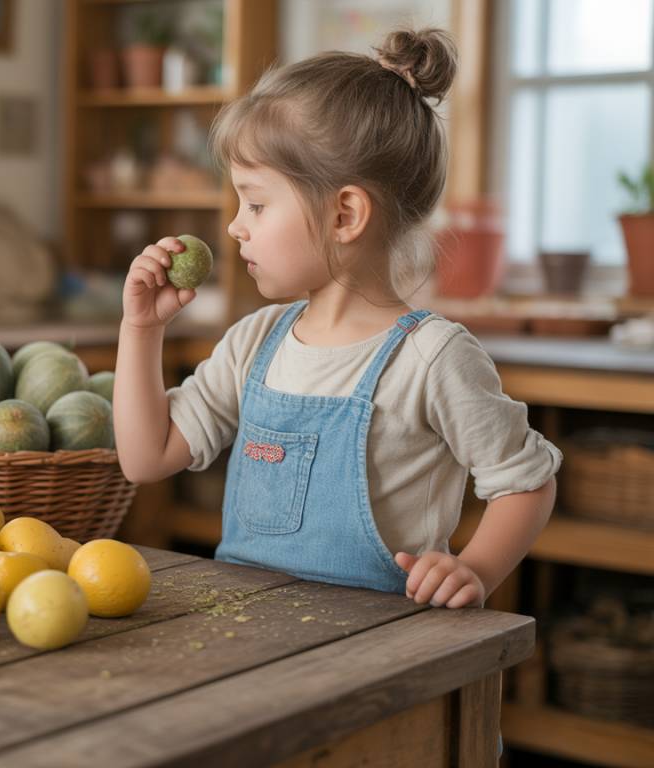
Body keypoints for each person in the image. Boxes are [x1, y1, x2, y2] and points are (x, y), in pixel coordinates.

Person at [113, 28, 560, 610]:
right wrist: (141, 330)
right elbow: (146, 458)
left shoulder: (432, 357)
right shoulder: (254, 343)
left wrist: (473, 568)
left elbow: (527, 482)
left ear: (345, 214)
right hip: (245, 642)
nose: (235, 226)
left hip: (376, 651)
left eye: (256, 203)